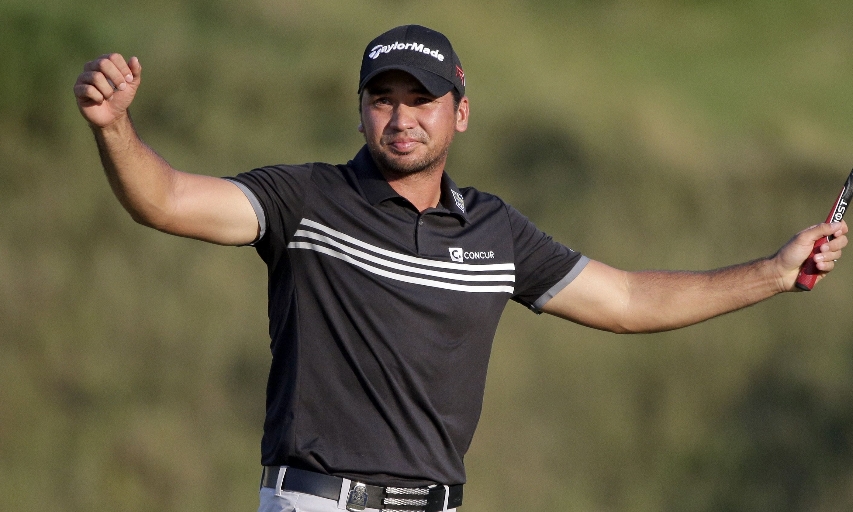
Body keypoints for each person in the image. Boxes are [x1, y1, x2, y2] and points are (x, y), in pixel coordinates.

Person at [74, 24, 847, 512]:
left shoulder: (495, 231)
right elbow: (167, 201)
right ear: (360, 111)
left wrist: (773, 273)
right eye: (383, 99)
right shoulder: (304, 200)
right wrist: (116, 129)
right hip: (318, 505)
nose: (401, 117)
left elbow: (628, 298)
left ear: (459, 112)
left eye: (422, 99)